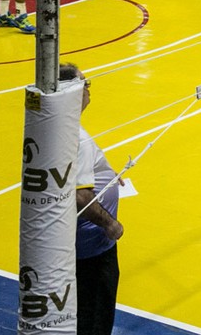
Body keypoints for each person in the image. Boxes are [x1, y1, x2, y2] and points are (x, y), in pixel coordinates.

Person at [61, 63, 125, 335]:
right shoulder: (77, 138)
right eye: (85, 84)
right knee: (95, 312)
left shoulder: (56, 128)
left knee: (80, 308)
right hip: (93, 247)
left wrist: (108, 175)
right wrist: (110, 224)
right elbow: (81, 196)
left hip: (72, 245)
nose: (89, 90)